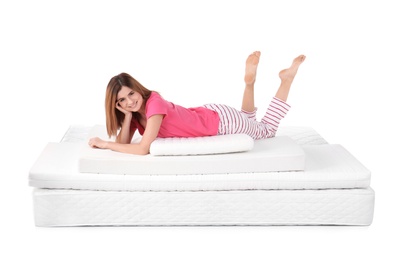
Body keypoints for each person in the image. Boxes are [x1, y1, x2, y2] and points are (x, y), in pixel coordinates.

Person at [88, 51, 306, 155]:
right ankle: (249, 82)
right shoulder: (137, 112)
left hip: (222, 123)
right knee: (249, 120)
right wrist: (126, 117)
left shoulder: (153, 103)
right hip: (212, 113)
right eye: (122, 101)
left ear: (138, 88)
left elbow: (143, 149)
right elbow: (125, 141)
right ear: (116, 104)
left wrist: (105, 144)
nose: (129, 102)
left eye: (131, 94)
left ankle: (286, 80)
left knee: (265, 130)